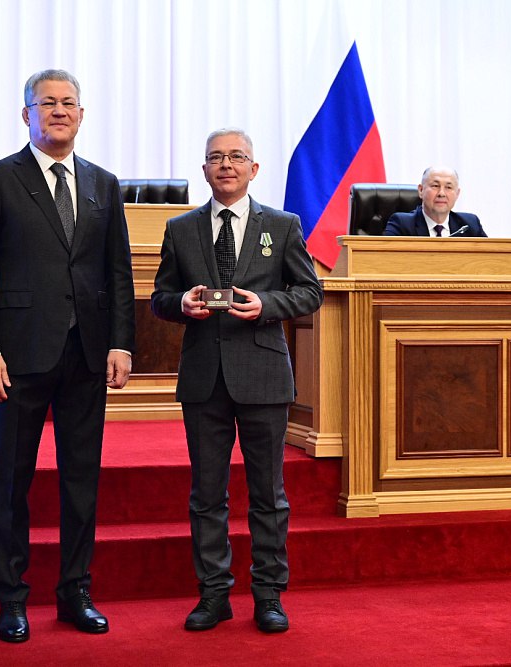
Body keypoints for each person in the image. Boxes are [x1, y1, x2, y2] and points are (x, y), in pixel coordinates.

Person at [0, 69, 135, 643]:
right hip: (18, 355)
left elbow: (117, 272)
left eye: (69, 103)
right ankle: (11, 597)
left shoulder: (103, 184)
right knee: (12, 480)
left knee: (81, 479)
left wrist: (119, 341)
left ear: (82, 115)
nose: (59, 111)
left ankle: (75, 591)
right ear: (26, 114)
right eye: (47, 103)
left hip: (86, 354)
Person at [150, 128, 322, 634]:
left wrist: (266, 305)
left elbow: (309, 291)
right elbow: (160, 296)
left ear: (254, 169)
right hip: (204, 379)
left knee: (268, 494)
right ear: (204, 170)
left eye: (236, 157)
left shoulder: (283, 225)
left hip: (264, 376)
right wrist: (179, 304)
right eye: (215, 158)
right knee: (207, 494)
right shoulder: (180, 229)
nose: (226, 164)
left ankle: (268, 595)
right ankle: (214, 595)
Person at [383, 166, 487, 237]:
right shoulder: (401, 224)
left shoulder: (469, 225)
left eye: (448, 187)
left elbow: (489, 261)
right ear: (421, 190)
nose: (441, 193)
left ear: (457, 193)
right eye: (435, 186)